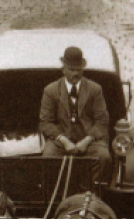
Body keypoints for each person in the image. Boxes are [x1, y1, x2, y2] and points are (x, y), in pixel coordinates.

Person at [40, 46, 112, 182]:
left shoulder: (95, 89)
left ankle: (93, 194)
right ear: (63, 70)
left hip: (90, 140)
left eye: (79, 70)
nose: (75, 74)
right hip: (61, 140)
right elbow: (45, 122)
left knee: (104, 157)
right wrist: (63, 140)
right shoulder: (50, 90)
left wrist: (86, 141)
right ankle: (55, 195)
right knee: (48, 157)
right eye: (71, 70)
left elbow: (102, 121)